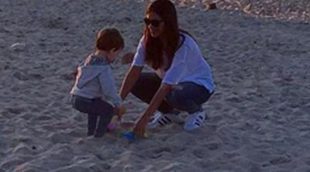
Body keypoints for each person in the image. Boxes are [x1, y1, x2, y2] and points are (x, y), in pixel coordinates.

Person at [119, 0, 215, 137]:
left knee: (174, 93)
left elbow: (166, 86)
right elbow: (134, 71)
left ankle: (197, 111)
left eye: (155, 22)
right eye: (147, 21)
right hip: (171, 83)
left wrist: (143, 121)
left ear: (167, 22)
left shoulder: (183, 44)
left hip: (198, 85)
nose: (151, 26)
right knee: (137, 82)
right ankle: (169, 113)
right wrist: (116, 104)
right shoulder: (147, 40)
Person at [70, 28, 125, 138]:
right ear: (112, 50)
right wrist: (118, 104)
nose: (116, 57)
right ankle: (100, 134)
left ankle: (91, 131)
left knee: (96, 107)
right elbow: (109, 90)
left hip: (75, 97)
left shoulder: (89, 59)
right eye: (117, 54)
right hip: (86, 100)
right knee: (108, 110)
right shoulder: (103, 68)